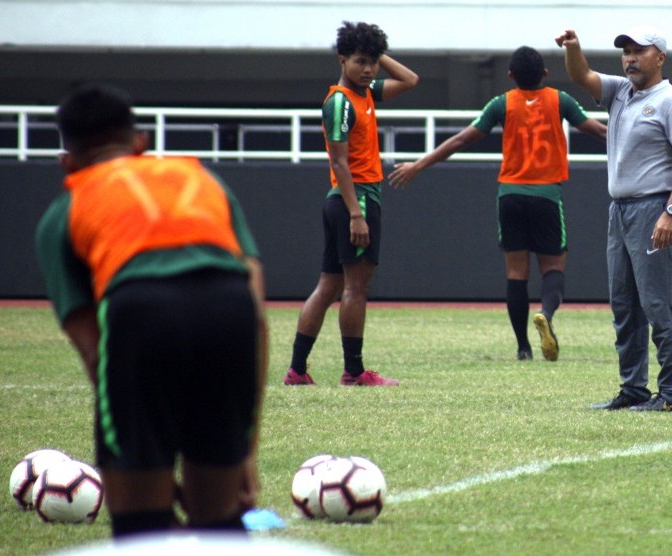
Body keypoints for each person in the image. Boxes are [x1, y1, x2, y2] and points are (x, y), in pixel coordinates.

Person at [35, 83, 268, 537]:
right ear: (141, 143)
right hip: (227, 308)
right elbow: (255, 313)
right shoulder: (201, 178)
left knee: (141, 525)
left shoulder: (62, 213)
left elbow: (95, 353)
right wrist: (244, 450)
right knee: (220, 518)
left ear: (67, 160)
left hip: (138, 312)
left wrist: (146, 455)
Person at [389, 46, 606, 361]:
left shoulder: (502, 103)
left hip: (510, 195)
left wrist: (418, 165)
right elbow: (598, 130)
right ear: (545, 74)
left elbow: (460, 139)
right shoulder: (560, 100)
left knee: (516, 272)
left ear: (510, 77)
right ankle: (545, 313)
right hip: (546, 194)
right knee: (554, 267)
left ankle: (523, 348)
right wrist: (643, 145)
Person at [555, 27, 672, 412]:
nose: (630, 58)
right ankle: (633, 388)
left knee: (659, 303)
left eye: (639, 51)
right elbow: (581, 75)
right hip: (619, 210)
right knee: (624, 305)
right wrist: (574, 48)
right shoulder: (620, 91)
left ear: (660, 57)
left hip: (654, 207)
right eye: (626, 52)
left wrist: (671, 212)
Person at [282, 21, 419, 386]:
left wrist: (377, 52)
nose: (369, 69)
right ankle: (354, 372)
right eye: (360, 61)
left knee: (327, 286)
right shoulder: (341, 101)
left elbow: (410, 80)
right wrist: (357, 214)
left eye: (372, 61)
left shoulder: (367, 93)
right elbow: (339, 162)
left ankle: (297, 370)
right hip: (354, 199)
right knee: (355, 288)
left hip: (345, 201)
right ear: (342, 61)